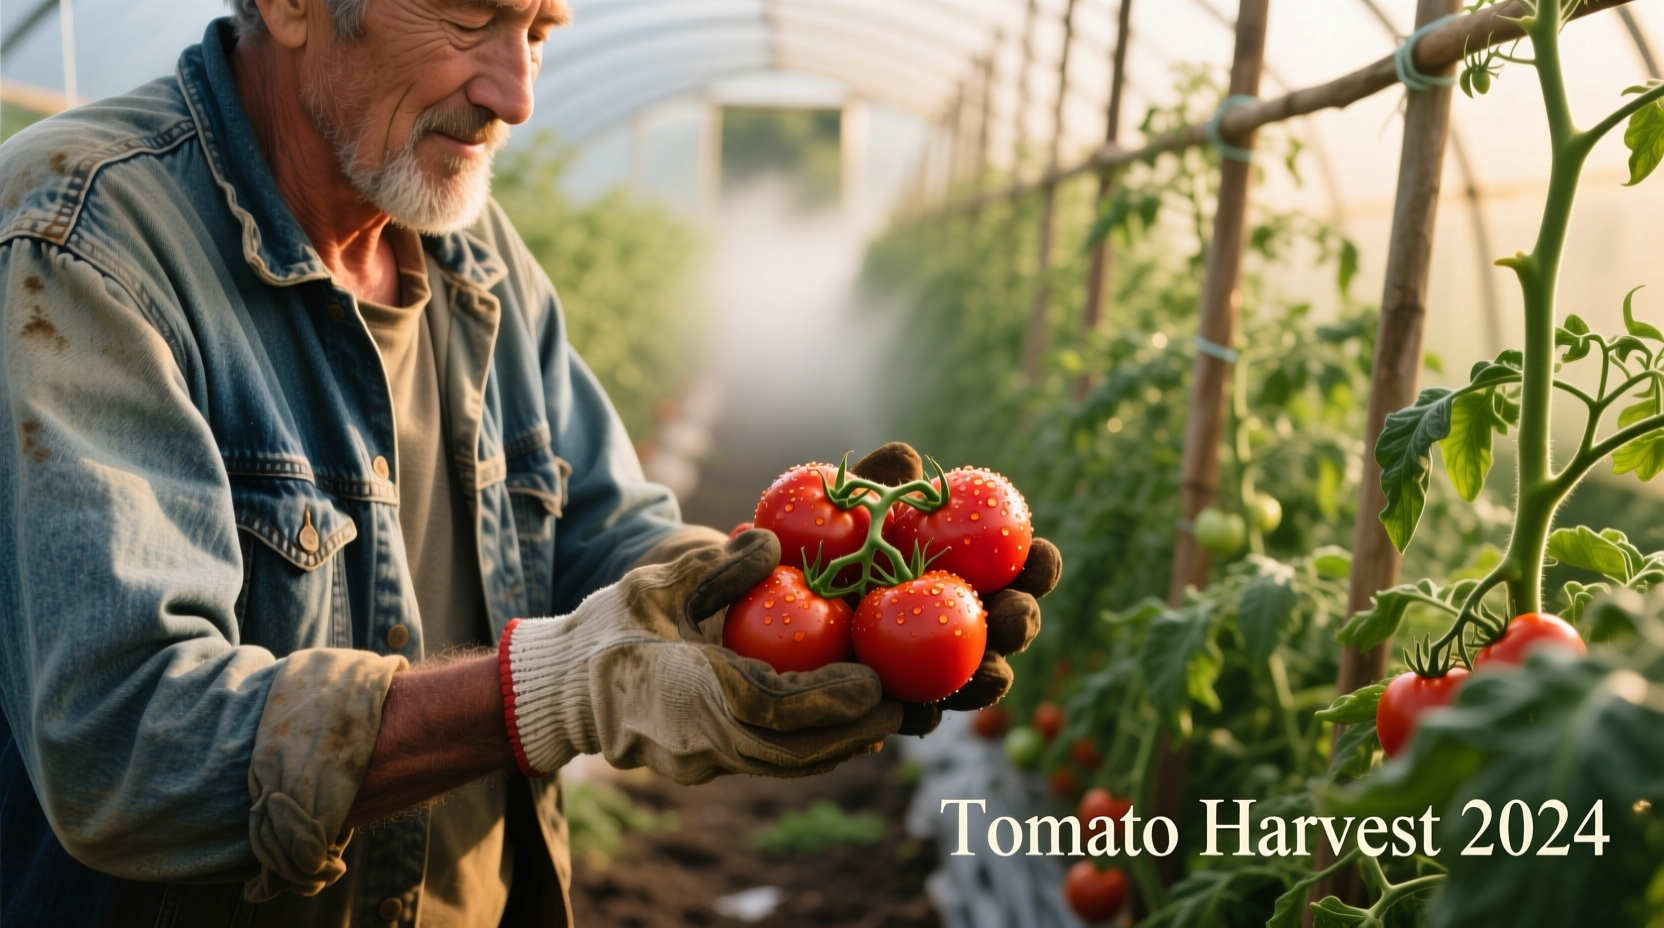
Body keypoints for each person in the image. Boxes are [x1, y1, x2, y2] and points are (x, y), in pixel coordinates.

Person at [0, 1, 1061, 925]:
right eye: (471, 17)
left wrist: (761, 610)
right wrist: (555, 688)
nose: (514, 94)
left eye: (541, 31)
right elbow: (126, 746)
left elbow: (598, 527)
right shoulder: (78, 242)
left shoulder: (469, 248)